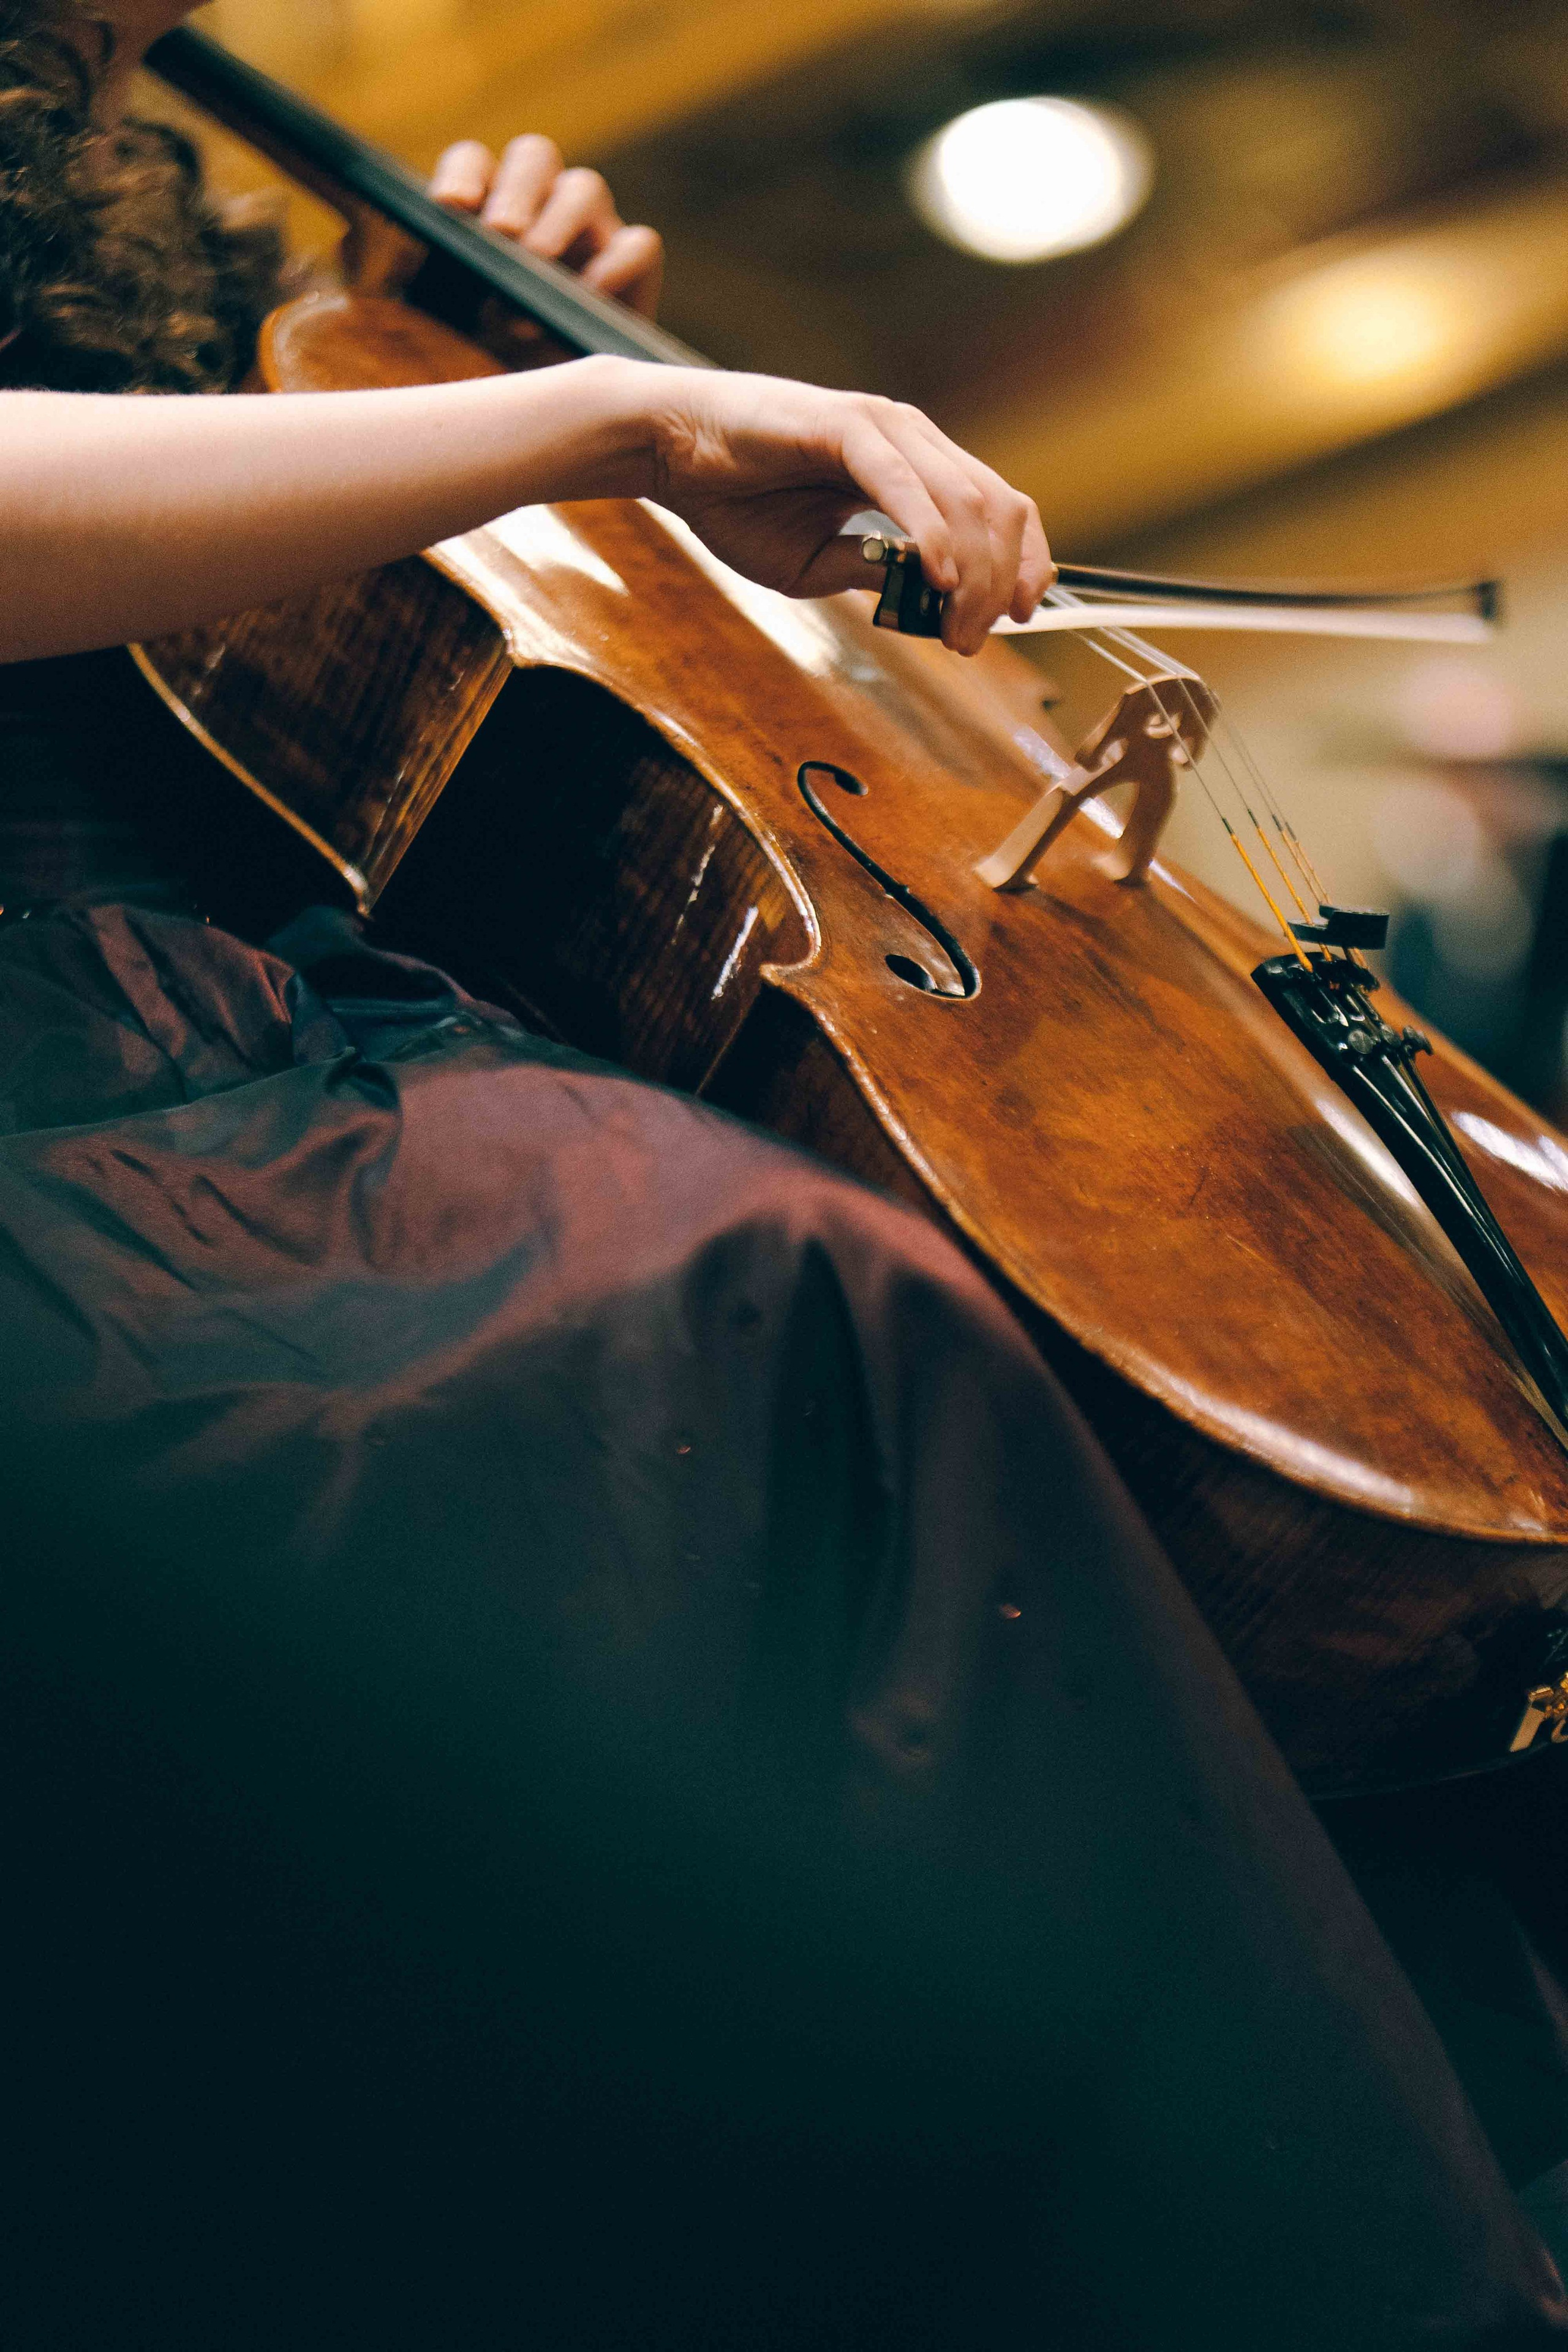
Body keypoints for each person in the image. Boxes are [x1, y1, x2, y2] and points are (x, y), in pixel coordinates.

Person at [0, 2, 1566, 2344]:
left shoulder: (168, 166)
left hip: (274, 1017)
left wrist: (425, 334)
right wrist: (594, 407)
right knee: (764, 1300)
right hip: (87, 1113)